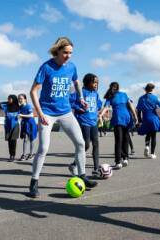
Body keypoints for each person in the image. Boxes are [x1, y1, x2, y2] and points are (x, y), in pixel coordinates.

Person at [28, 37, 97, 198]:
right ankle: (34, 181)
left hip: (66, 112)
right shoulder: (46, 67)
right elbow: (33, 91)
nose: (68, 56)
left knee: (81, 143)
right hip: (47, 113)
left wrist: (80, 97)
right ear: (57, 51)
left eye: (71, 53)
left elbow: (76, 82)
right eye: (65, 52)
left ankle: (81, 176)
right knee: (43, 148)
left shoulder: (71, 67)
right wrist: (40, 113)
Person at [69, 73, 102, 177]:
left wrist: (98, 111)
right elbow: (70, 101)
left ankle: (96, 169)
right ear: (88, 82)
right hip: (83, 121)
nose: (96, 84)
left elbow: (99, 103)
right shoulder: (81, 92)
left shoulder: (95, 93)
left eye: (97, 82)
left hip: (93, 122)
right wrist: (79, 108)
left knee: (96, 144)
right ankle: (74, 164)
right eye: (94, 82)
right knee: (86, 145)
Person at [99, 82, 138, 169]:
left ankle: (118, 161)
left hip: (118, 118)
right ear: (118, 88)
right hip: (126, 117)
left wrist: (101, 115)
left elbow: (106, 107)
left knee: (118, 140)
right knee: (125, 139)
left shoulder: (111, 96)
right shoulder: (124, 94)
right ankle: (125, 158)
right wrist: (135, 116)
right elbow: (130, 105)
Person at [136, 83, 160, 159]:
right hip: (153, 118)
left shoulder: (141, 98)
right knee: (153, 136)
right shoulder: (155, 98)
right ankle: (152, 153)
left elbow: (138, 111)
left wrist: (139, 120)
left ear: (145, 89)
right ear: (152, 89)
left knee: (148, 134)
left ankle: (146, 146)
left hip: (145, 118)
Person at [0, 95, 20, 161]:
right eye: (8, 99)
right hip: (7, 126)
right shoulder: (6, 107)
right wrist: (7, 102)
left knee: (13, 141)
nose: (8, 100)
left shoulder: (18, 107)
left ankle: (13, 155)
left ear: (14, 99)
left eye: (10, 99)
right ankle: (10, 155)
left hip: (15, 125)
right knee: (9, 141)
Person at [18, 93, 38, 161]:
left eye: (21, 98)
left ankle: (31, 154)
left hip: (31, 124)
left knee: (32, 139)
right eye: (19, 99)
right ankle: (24, 154)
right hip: (24, 124)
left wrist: (21, 115)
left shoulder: (28, 106)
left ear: (25, 99)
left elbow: (31, 115)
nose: (20, 100)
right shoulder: (20, 107)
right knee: (25, 139)